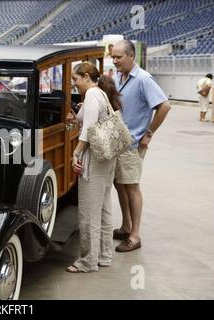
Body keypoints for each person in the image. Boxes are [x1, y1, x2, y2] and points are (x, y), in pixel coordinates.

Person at [111, 40, 171, 252]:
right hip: (118, 144)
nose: (114, 60)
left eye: (118, 57)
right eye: (113, 56)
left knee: (132, 187)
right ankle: (126, 226)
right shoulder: (119, 77)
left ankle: (135, 236)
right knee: (120, 185)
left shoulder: (144, 79)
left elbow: (164, 106)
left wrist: (149, 133)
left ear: (131, 56)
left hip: (133, 144)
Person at [65, 63, 121, 273]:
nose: (74, 83)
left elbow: (88, 131)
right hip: (108, 157)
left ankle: (87, 261)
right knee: (104, 209)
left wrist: (76, 153)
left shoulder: (91, 96)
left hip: (95, 158)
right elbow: (85, 120)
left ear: (86, 76)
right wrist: (75, 117)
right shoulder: (101, 94)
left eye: (76, 79)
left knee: (89, 211)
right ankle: (104, 256)